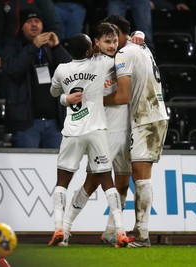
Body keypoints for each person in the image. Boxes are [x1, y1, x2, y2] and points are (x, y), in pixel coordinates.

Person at [48, 32, 129, 248]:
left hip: (72, 132)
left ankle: (59, 229)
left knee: (62, 182)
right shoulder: (101, 64)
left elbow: (55, 92)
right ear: (89, 50)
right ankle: (120, 230)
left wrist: (66, 98)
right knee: (107, 181)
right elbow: (116, 57)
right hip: (96, 131)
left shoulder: (61, 69)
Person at [103, 15, 169, 248]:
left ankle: (142, 235)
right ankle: (118, 231)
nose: (110, 41)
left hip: (147, 118)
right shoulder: (140, 47)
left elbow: (121, 96)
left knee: (141, 179)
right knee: (137, 177)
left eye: (112, 35)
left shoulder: (124, 53)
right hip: (151, 115)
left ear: (119, 33)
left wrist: (93, 99)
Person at [0, 8, 71, 148]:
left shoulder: (50, 48)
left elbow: (71, 71)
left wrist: (57, 47)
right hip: (27, 125)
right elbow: (14, 69)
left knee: (54, 169)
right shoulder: (13, 47)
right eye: (29, 21)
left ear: (42, 26)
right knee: (25, 167)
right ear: (22, 26)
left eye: (37, 21)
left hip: (55, 125)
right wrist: (33, 46)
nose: (34, 24)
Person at [0, 0, 61, 69]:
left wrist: (47, 49)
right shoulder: (5, 2)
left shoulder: (43, 2)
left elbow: (54, 28)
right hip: (10, 51)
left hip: (37, 52)